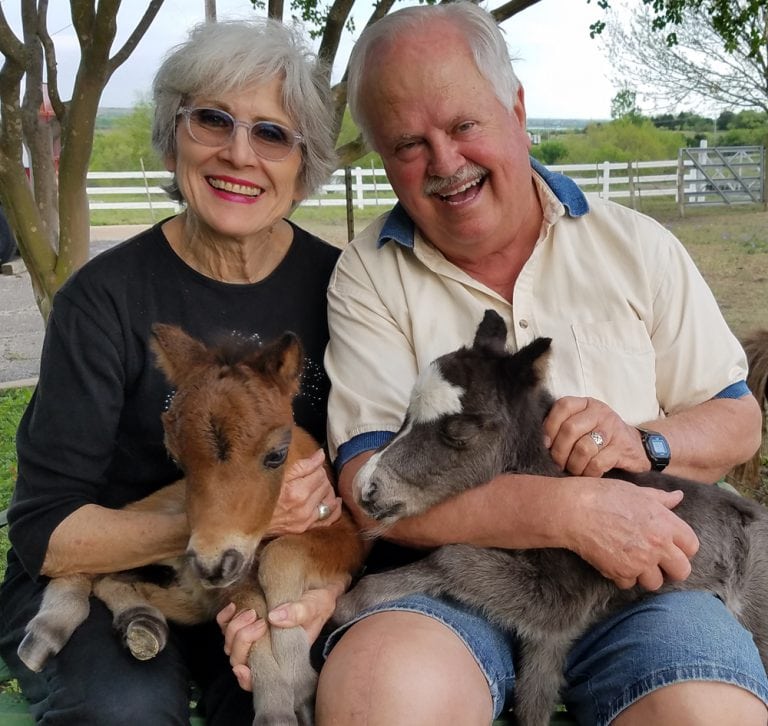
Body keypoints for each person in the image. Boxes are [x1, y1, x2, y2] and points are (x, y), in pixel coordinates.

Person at [314, 3, 768, 725]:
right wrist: (570, 510)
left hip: (647, 587)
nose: (445, 164)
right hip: (464, 578)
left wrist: (648, 443)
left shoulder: (636, 245)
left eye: (464, 126)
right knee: (379, 693)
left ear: (516, 108)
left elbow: (738, 419)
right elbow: (365, 482)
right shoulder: (370, 274)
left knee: (705, 708)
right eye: (408, 144)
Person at [0, 18, 347, 726]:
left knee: (288, 702)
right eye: (212, 120)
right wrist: (223, 521)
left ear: (303, 163)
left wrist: (312, 587)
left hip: (260, 583)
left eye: (272, 133)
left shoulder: (341, 287)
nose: (239, 154)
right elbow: (46, 531)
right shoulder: (103, 299)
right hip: (103, 577)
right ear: (172, 136)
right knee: (125, 706)